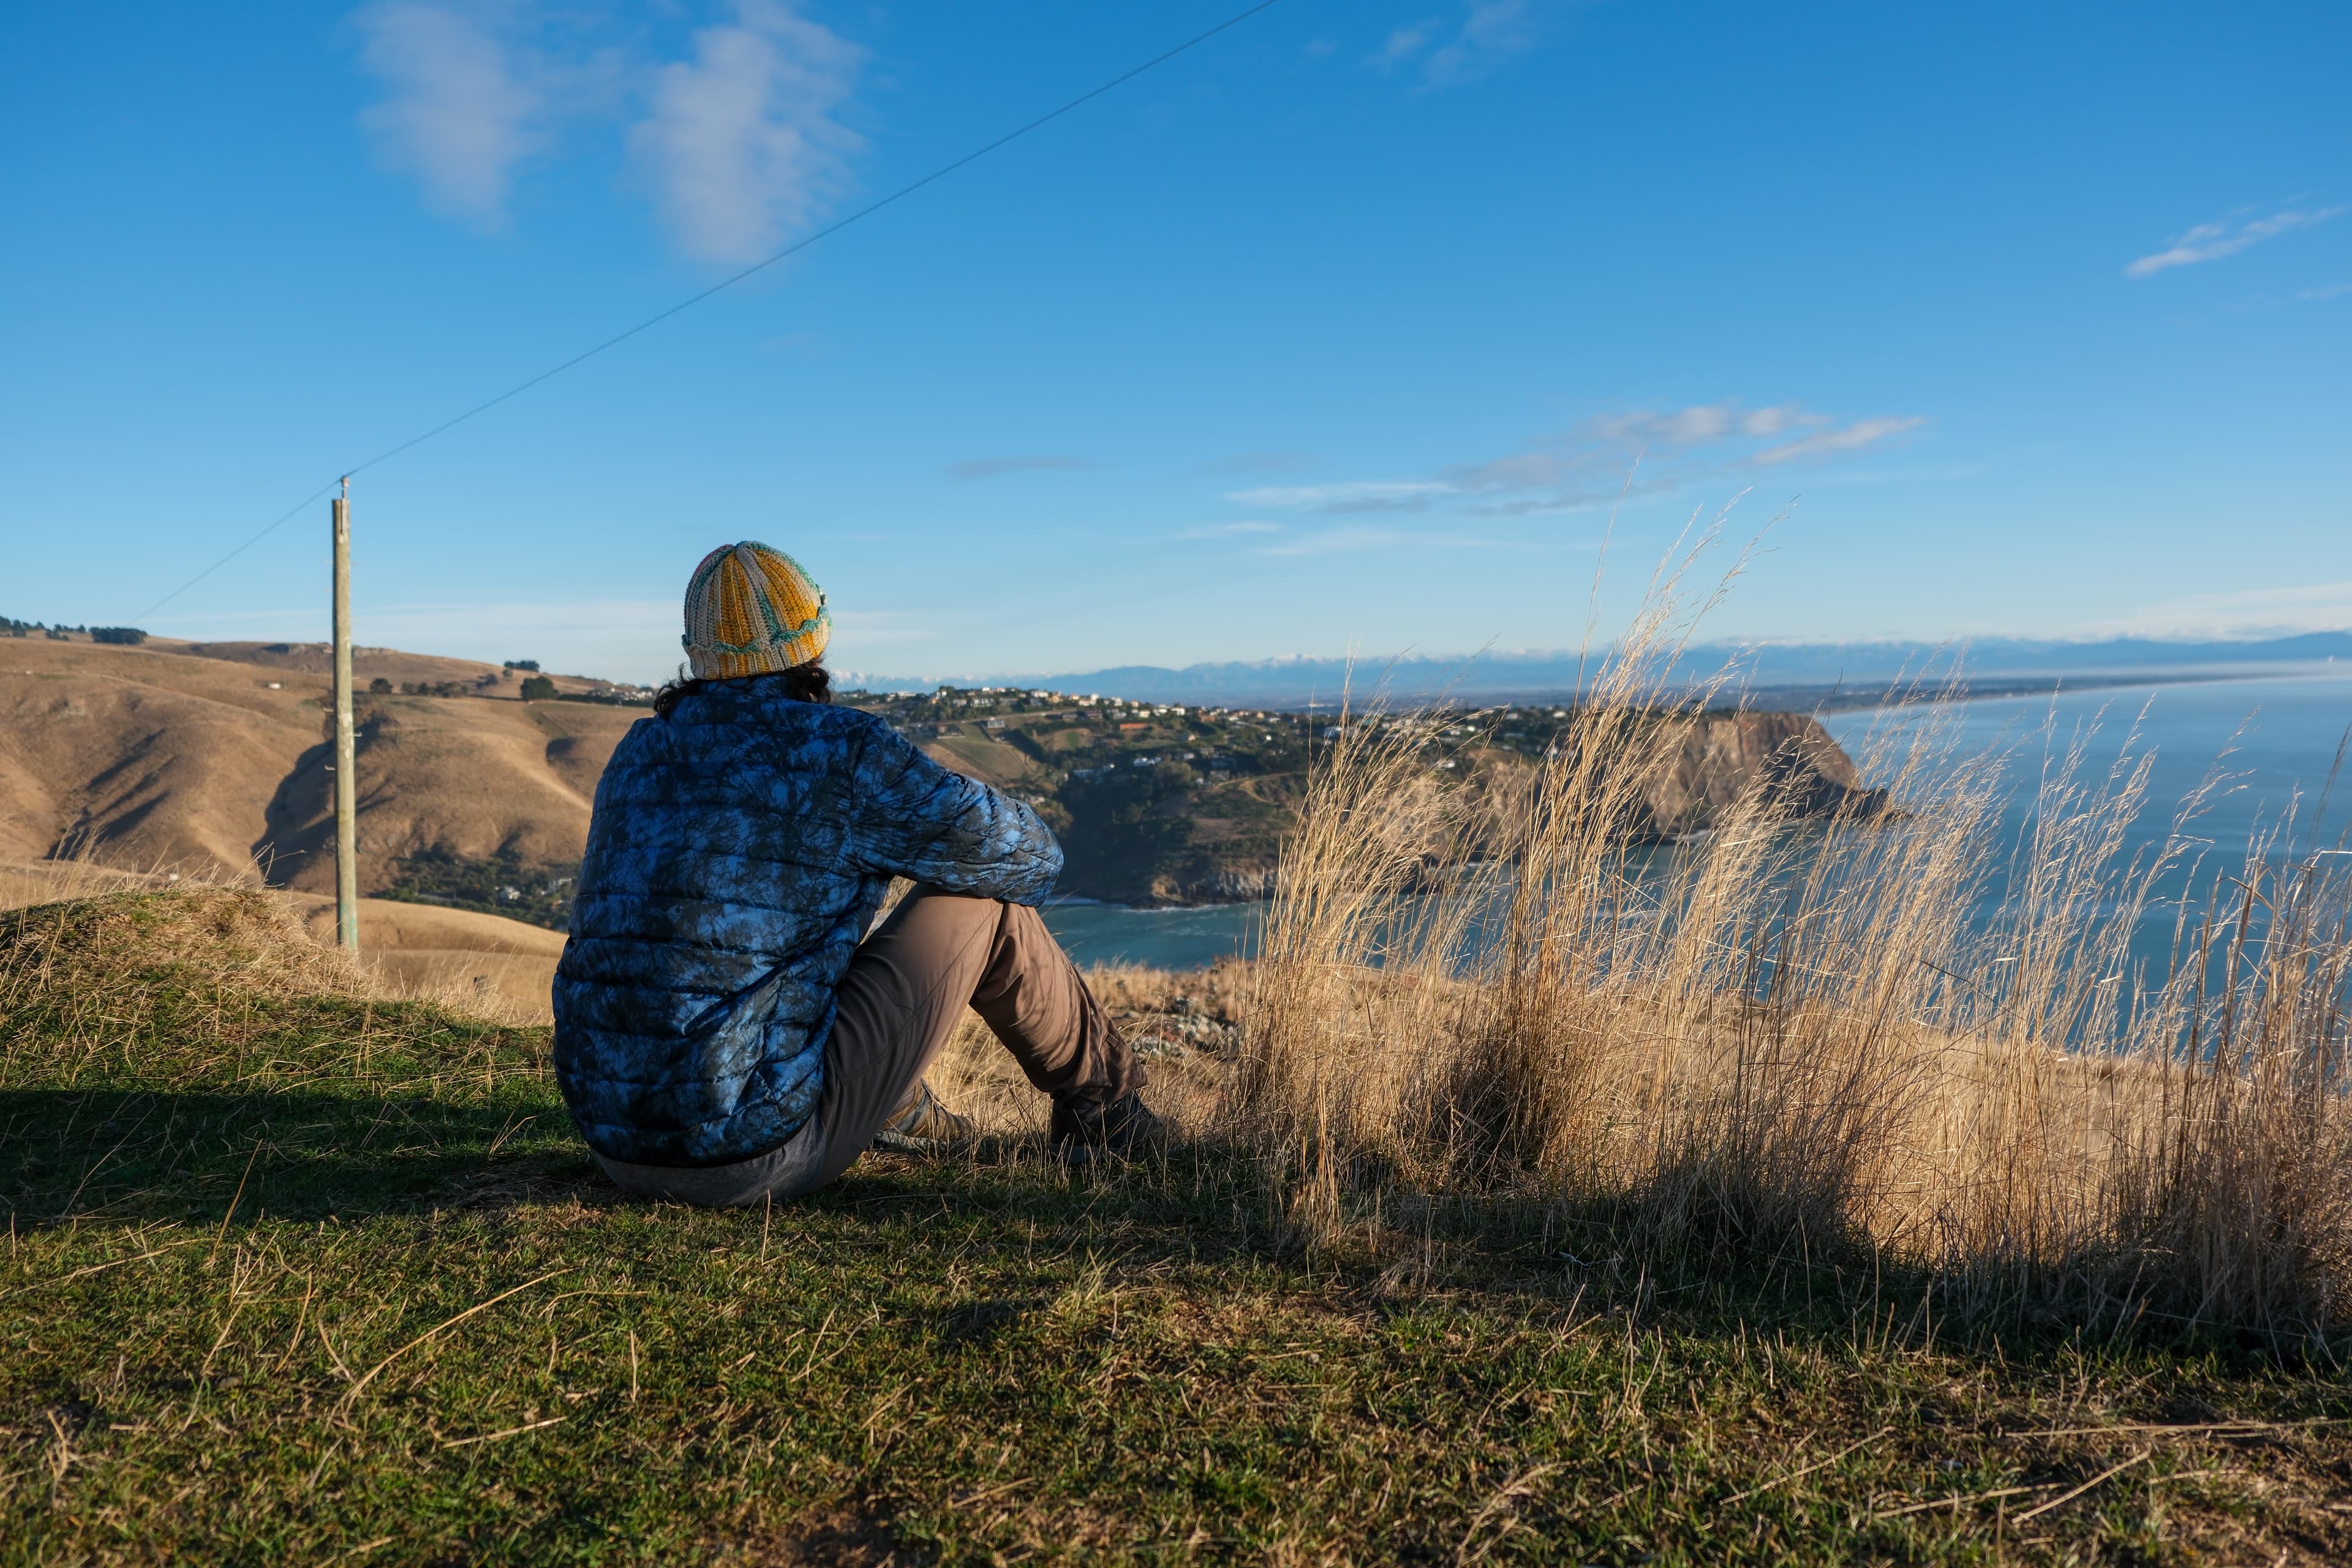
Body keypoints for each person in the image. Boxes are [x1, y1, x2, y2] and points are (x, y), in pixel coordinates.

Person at [551, 541, 1158, 1207]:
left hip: (614, 1143)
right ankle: (1109, 1113)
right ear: (813, 639)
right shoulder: (842, 750)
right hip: (751, 1151)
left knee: (796, 930)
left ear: (697, 652)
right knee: (984, 900)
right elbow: (1029, 858)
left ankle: (897, 1109)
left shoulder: (638, 751)